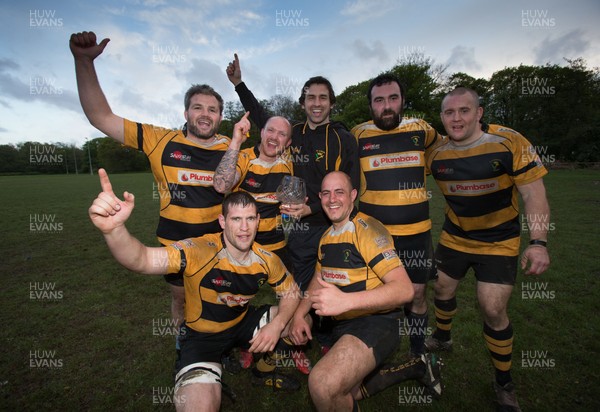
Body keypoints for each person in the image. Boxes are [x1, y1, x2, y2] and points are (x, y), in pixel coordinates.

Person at [70, 31, 230, 364]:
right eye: (197, 107)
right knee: (181, 301)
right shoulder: (160, 140)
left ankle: (220, 347)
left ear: (220, 116)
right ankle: (184, 346)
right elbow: (101, 117)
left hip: (217, 243)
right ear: (185, 112)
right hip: (174, 243)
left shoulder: (231, 148)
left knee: (219, 298)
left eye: (212, 109)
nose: (205, 114)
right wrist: (84, 62)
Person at [89, 169, 302, 411]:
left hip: (241, 323)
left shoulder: (267, 259)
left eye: (250, 219)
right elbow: (141, 259)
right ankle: (204, 370)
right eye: (236, 219)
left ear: (258, 221)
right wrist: (113, 230)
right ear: (223, 222)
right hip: (203, 338)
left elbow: (292, 292)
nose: (244, 228)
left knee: (300, 316)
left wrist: (276, 325)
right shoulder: (197, 250)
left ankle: (262, 369)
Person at [425, 87, 551, 412]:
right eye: (449, 113)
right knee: (440, 287)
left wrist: (538, 243)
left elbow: (534, 194)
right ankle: (443, 336)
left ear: (479, 113)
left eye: (464, 111)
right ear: (441, 118)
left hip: (499, 239)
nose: (457, 118)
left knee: (492, 309)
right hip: (455, 235)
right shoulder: (435, 153)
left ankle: (504, 384)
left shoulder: (508, 142)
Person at [289, 171, 443, 411]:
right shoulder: (327, 237)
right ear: (319, 198)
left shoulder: (368, 230)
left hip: (377, 323)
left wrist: (345, 301)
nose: (332, 199)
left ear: (352, 195)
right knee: (345, 391)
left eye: (339, 192)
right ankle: (417, 367)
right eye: (326, 193)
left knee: (322, 384)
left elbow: (404, 290)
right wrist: (300, 314)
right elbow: (318, 278)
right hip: (344, 327)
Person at [226, 54, 359, 294]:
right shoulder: (293, 132)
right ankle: (299, 327)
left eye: (322, 98)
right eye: (310, 98)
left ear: (332, 103)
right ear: (303, 103)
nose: (316, 103)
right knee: (300, 291)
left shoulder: (345, 139)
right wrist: (238, 84)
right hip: (301, 230)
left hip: (336, 225)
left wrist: (312, 208)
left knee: (334, 288)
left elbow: (352, 190)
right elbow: (259, 115)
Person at [351, 73, 444, 359]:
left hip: (416, 234)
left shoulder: (423, 130)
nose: (387, 106)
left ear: (403, 101)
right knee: (375, 297)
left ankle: (418, 356)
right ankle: (369, 355)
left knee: (416, 294)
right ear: (370, 105)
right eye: (379, 100)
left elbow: (448, 151)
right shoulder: (358, 135)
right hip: (374, 237)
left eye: (393, 98)